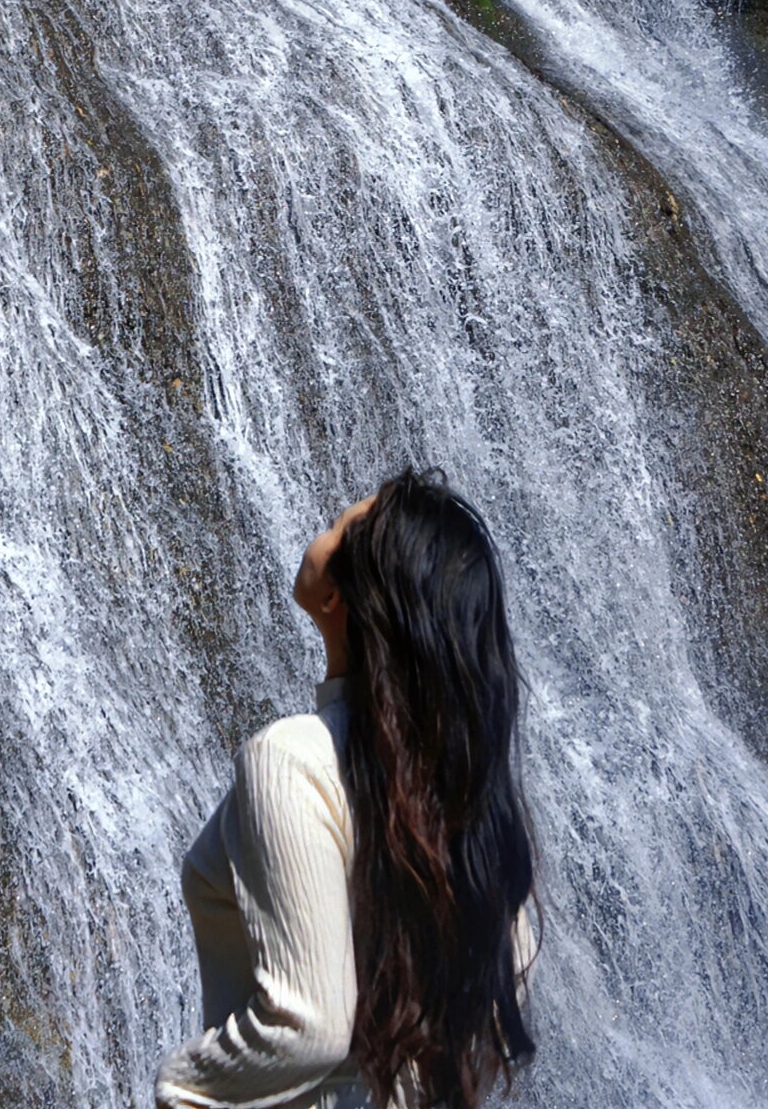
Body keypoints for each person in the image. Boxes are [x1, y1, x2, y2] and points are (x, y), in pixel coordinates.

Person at [155, 472, 538, 1109]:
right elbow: (502, 994)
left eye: (340, 524)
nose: (325, 524)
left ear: (343, 596)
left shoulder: (293, 760)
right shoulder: (461, 791)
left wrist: (183, 1086)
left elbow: (309, 1027)